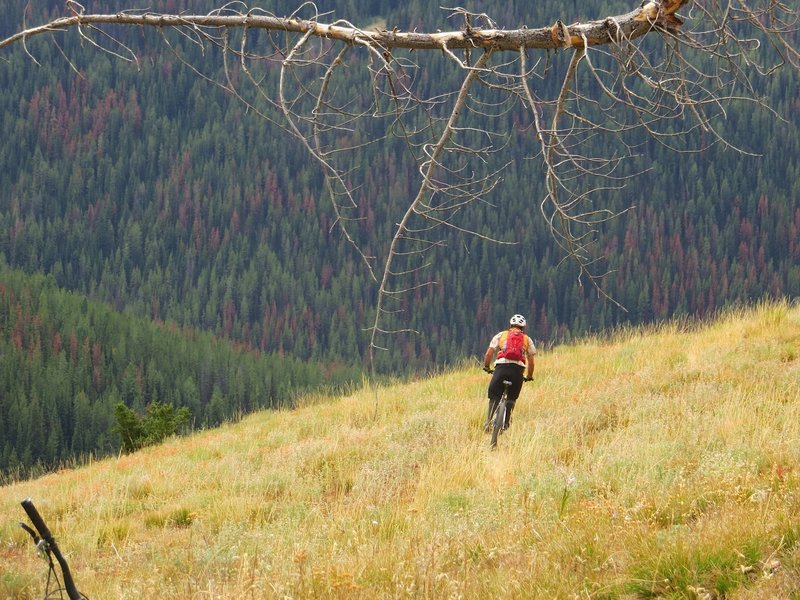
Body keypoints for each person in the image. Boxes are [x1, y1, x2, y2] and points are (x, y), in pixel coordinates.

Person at [482, 314, 536, 431]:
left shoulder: (501, 335)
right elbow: (531, 362)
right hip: (517, 371)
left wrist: (487, 366)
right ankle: (506, 424)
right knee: (512, 398)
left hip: (501, 367)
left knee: (494, 395)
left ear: (510, 326)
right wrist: (529, 376)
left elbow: (489, 353)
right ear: (523, 328)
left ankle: (488, 422)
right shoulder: (527, 339)